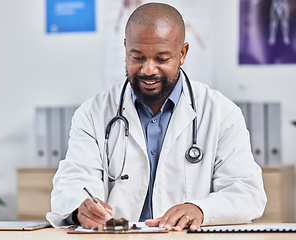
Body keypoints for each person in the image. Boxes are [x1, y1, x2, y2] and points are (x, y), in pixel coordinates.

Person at [46, 3, 267, 231]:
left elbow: (247, 193)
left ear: (182, 54)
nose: (148, 70)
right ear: (125, 49)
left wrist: (201, 209)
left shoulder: (221, 113)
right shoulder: (93, 113)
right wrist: (80, 208)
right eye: (137, 57)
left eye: (162, 59)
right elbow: (72, 184)